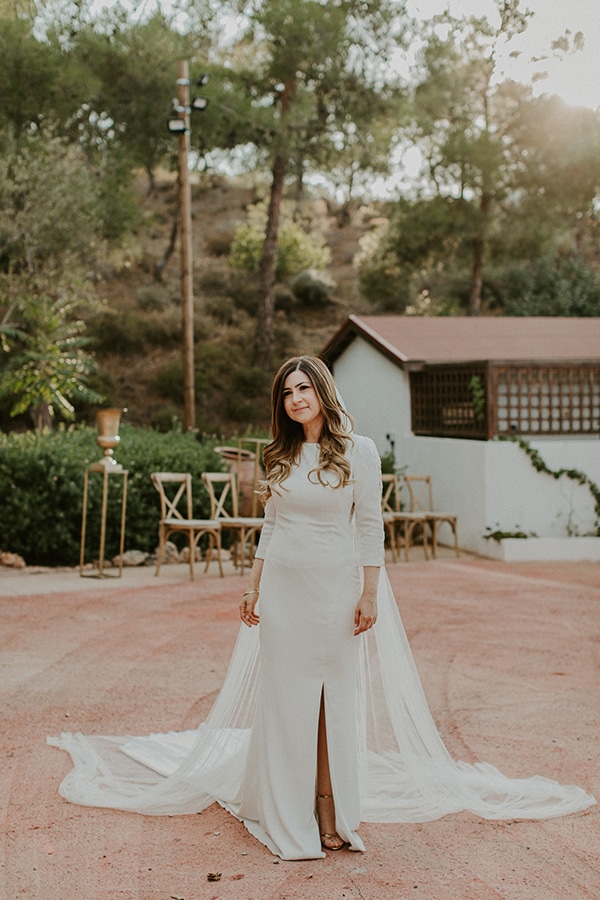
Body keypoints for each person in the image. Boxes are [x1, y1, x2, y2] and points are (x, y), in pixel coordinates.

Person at [49, 355, 595, 861]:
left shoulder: (358, 450)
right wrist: (253, 587)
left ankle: (332, 811)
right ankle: (292, 815)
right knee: (288, 704)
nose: (295, 398)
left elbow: (369, 526)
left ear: (322, 392)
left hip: (336, 590)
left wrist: (370, 592)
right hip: (284, 591)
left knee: (333, 703)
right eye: (287, 392)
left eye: (303, 388)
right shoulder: (278, 454)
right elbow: (272, 526)